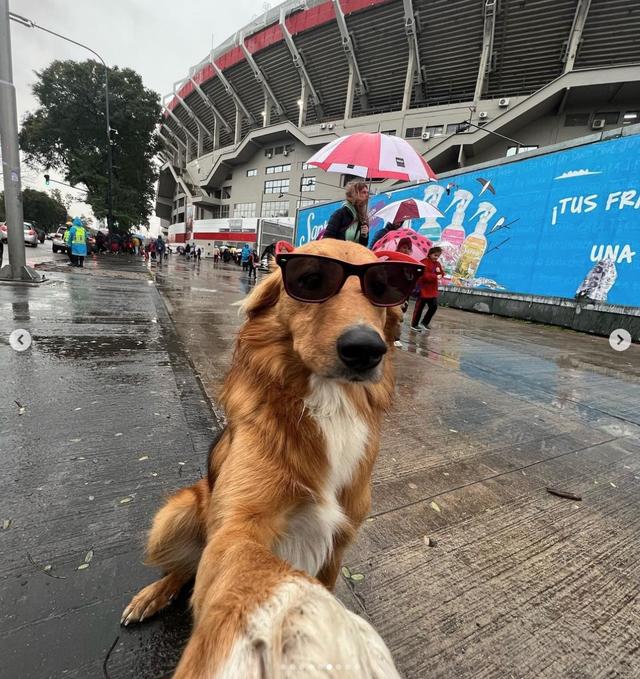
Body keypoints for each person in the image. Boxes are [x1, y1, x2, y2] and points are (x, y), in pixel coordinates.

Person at [323, 180, 370, 245]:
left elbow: (362, 246)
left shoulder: (363, 218)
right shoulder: (340, 214)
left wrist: (364, 235)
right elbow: (327, 239)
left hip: (353, 254)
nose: (367, 195)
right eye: (363, 192)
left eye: (367, 193)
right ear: (355, 194)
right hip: (338, 253)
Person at [411, 246, 444, 331]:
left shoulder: (437, 264)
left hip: (432, 291)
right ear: (430, 254)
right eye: (435, 255)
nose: (436, 258)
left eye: (438, 256)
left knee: (434, 307)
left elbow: (441, 273)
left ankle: (424, 323)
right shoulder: (424, 262)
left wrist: (440, 274)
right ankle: (414, 324)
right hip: (423, 290)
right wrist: (436, 276)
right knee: (419, 308)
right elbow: (425, 276)